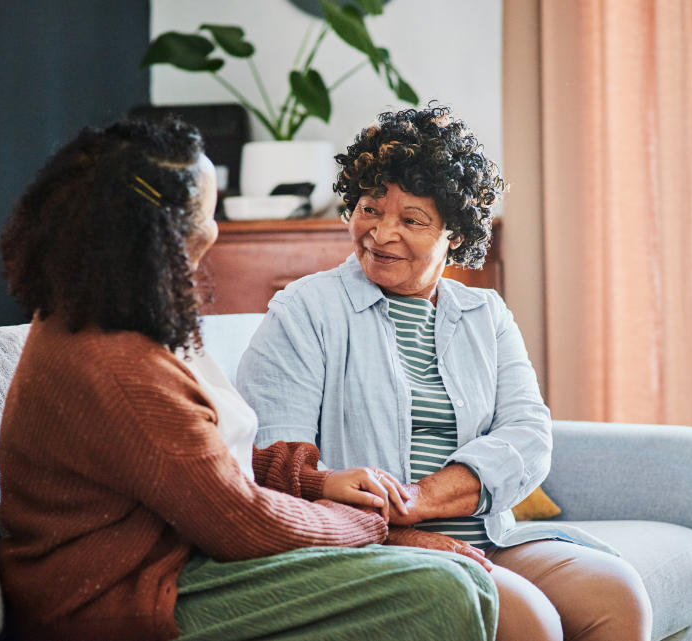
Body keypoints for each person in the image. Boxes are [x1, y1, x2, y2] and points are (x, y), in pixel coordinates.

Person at [0, 118, 498, 641]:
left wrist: (316, 482)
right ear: (166, 233)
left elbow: (195, 466)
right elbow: (241, 521)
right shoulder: (119, 366)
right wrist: (375, 526)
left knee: (455, 583)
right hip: (119, 597)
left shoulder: (105, 316)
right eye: (209, 213)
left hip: (171, 563)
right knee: (444, 593)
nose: (215, 232)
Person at [237, 104, 654, 641]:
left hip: (489, 532)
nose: (382, 234)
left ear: (453, 234)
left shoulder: (486, 315)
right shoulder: (304, 310)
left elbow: (527, 435)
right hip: (365, 539)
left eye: (412, 220)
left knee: (617, 596)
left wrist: (421, 500)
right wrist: (399, 530)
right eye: (369, 209)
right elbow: (273, 464)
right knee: (531, 623)